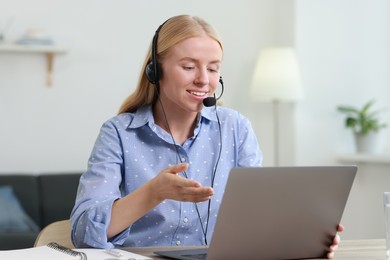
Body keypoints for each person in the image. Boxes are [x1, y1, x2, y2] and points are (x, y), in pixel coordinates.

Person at [70, 14, 342, 258]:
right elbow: (83, 233)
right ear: (156, 71)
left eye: (213, 69)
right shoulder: (118, 133)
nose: (204, 80)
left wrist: (305, 237)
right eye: (189, 67)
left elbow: (258, 216)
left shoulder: (235, 127)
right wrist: (153, 193)